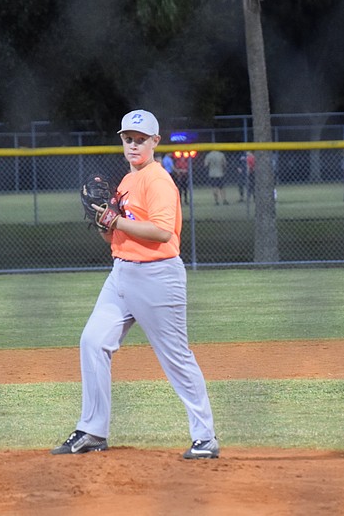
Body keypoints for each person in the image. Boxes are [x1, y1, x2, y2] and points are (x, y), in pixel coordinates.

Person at [51, 109, 219, 460]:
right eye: (128, 138)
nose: (133, 145)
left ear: (155, 142)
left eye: (140, 139)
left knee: (176, 358)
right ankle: (93, 430)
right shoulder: (126, 182)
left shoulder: (158, 180)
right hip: (121, 274)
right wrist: (102, 221)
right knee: (93, 341)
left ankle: (205, 438)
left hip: (157, 276)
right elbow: (114, 236)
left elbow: (160, 232)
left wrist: (116, 220)